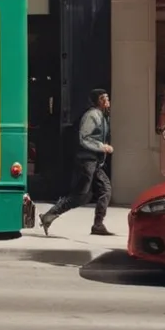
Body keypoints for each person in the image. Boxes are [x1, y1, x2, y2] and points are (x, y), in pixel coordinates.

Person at [40, 89, 115, 237]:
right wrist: (102, 147)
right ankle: (49, 215)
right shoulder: (92, 115)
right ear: (96, 101)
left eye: (107, 97)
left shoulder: (103, 115)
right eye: (102, 98)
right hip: (87, 161)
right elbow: (84, 138)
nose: (106, 100)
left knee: (105, 190)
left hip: (95, 161)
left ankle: (98, 225)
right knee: (81, 196)